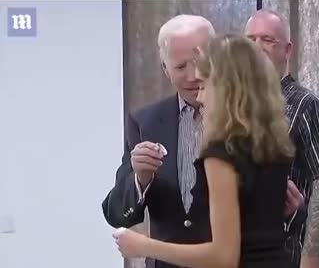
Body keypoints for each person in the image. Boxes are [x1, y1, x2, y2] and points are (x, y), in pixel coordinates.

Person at [102, 14, 304, 268]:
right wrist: (140, 180)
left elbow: (229, 250)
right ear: (165, 69)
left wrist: (143, 246)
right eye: (180, 67)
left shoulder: (228, 148)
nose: (193, 78)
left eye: (200, 67)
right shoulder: (145, 123)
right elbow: (116, 211)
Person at [244, 9, 319, 268]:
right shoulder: (235, 106)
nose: (257, 47)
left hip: (288, 252)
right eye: (250, 40)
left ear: (287, 50)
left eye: (267, 40)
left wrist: (311, 258)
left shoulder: (307, 105)